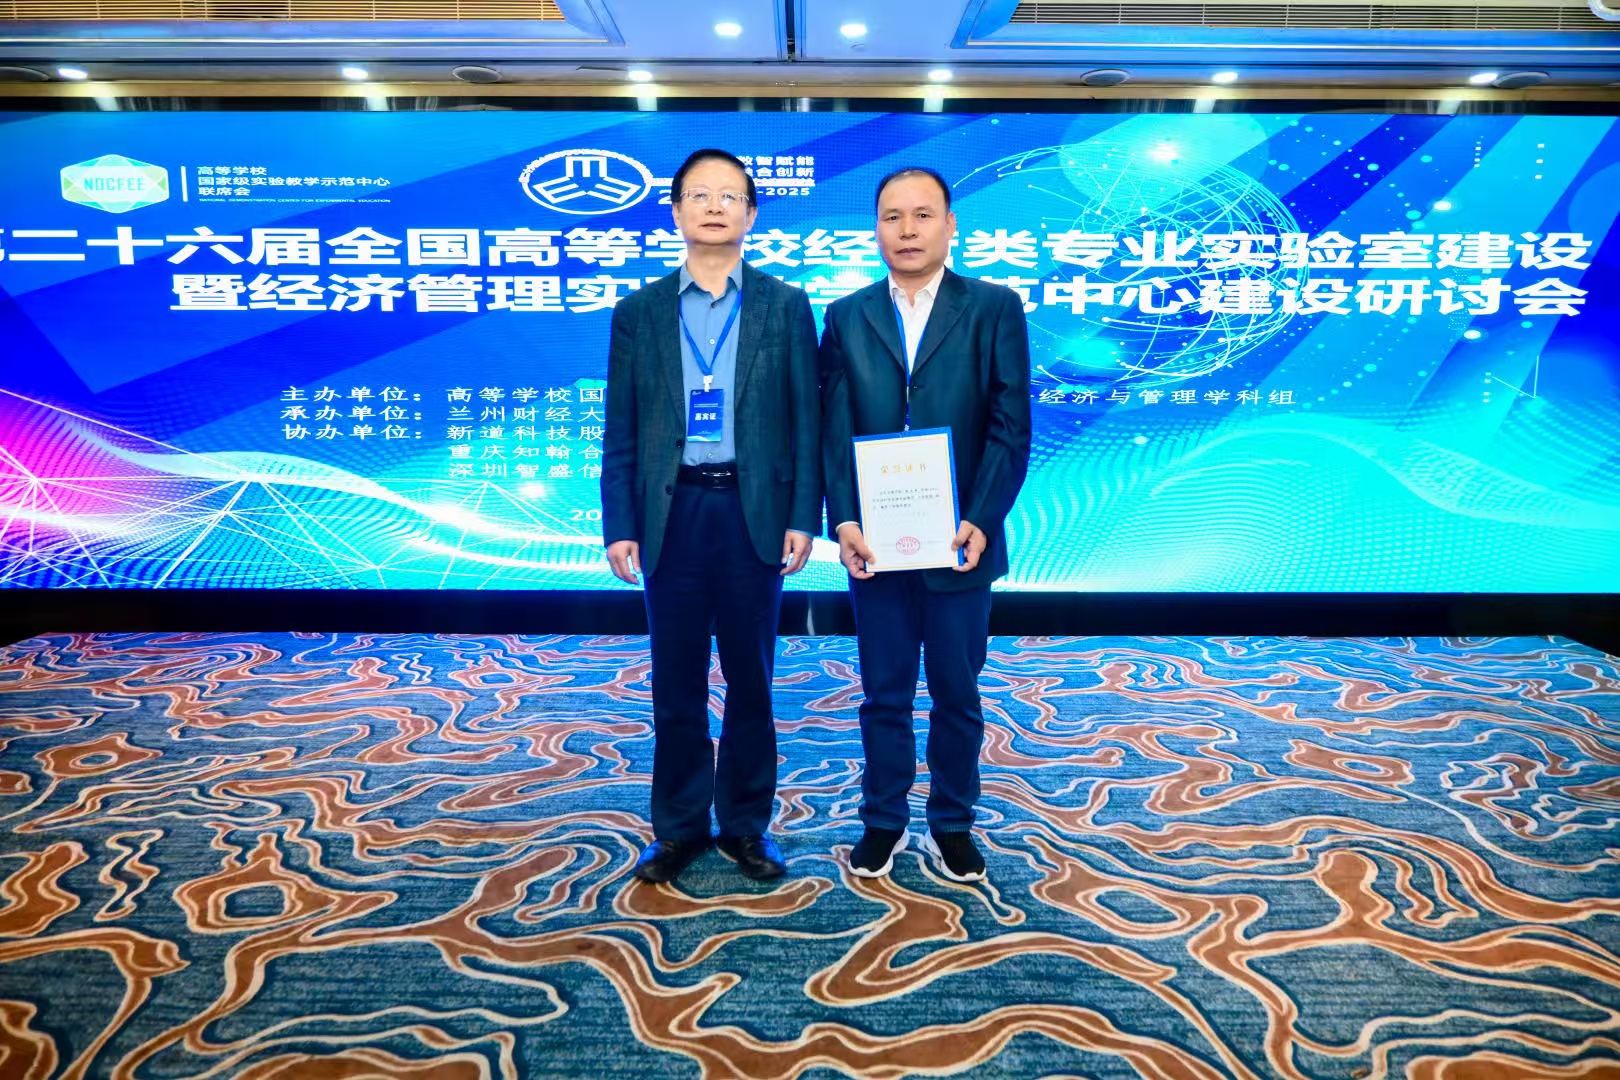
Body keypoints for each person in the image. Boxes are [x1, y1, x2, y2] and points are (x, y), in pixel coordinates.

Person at [601, 148, 821, 884]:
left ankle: (748, 826)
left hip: (754, 513)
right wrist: (619, 523)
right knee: (676, 681)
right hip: (672, 514)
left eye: (730, 195)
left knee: (752, 679)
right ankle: (678, 828)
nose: (715, 206)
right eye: (699, 194)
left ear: (751, 214)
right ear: (676, 212)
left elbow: (807, 419)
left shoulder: (785, 306)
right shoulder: (639, 312)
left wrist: (803, 514)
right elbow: (622, 426)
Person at [819, 166, 1032, 883]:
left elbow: (1009, 425)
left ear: (950, 225)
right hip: (875, 544)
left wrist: (981, 518)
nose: (906, 231)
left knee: (956, 692)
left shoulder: (994, 307)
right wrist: (844, 519)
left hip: (959, 541)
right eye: (892, 217)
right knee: (883, 692)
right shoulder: (846, 315)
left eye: (922, 215)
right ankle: (882, 819)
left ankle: (952, 821)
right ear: (876, 229)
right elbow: (833, 429)